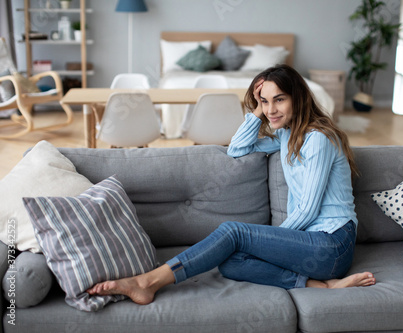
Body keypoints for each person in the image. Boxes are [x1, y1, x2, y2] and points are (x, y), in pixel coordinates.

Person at [87, 64, 375, 305]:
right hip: (312, 246)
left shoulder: (318, 138)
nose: (271, 109)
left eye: (279, 99)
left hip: (331, 244)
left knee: (233, 233)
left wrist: (266, 243)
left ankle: (148, 282)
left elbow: (309, 210)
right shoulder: (287, 134)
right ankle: (322, 287)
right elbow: (236, 148)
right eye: (265, 101)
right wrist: (257, 109)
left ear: (298, 98)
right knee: (229, 261)